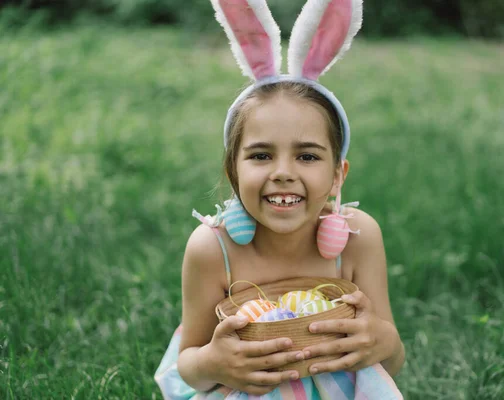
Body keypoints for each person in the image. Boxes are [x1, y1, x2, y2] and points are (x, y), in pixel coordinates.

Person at [155, 0, 405, 398]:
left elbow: (391, 359)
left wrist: (383, 341)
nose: (283, 172)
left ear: (338, 176)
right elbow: (189, 366)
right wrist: (213, 362)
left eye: (307, 156)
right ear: (232, 173)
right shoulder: (211, 249)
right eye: (261, 155)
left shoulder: (360, 238)